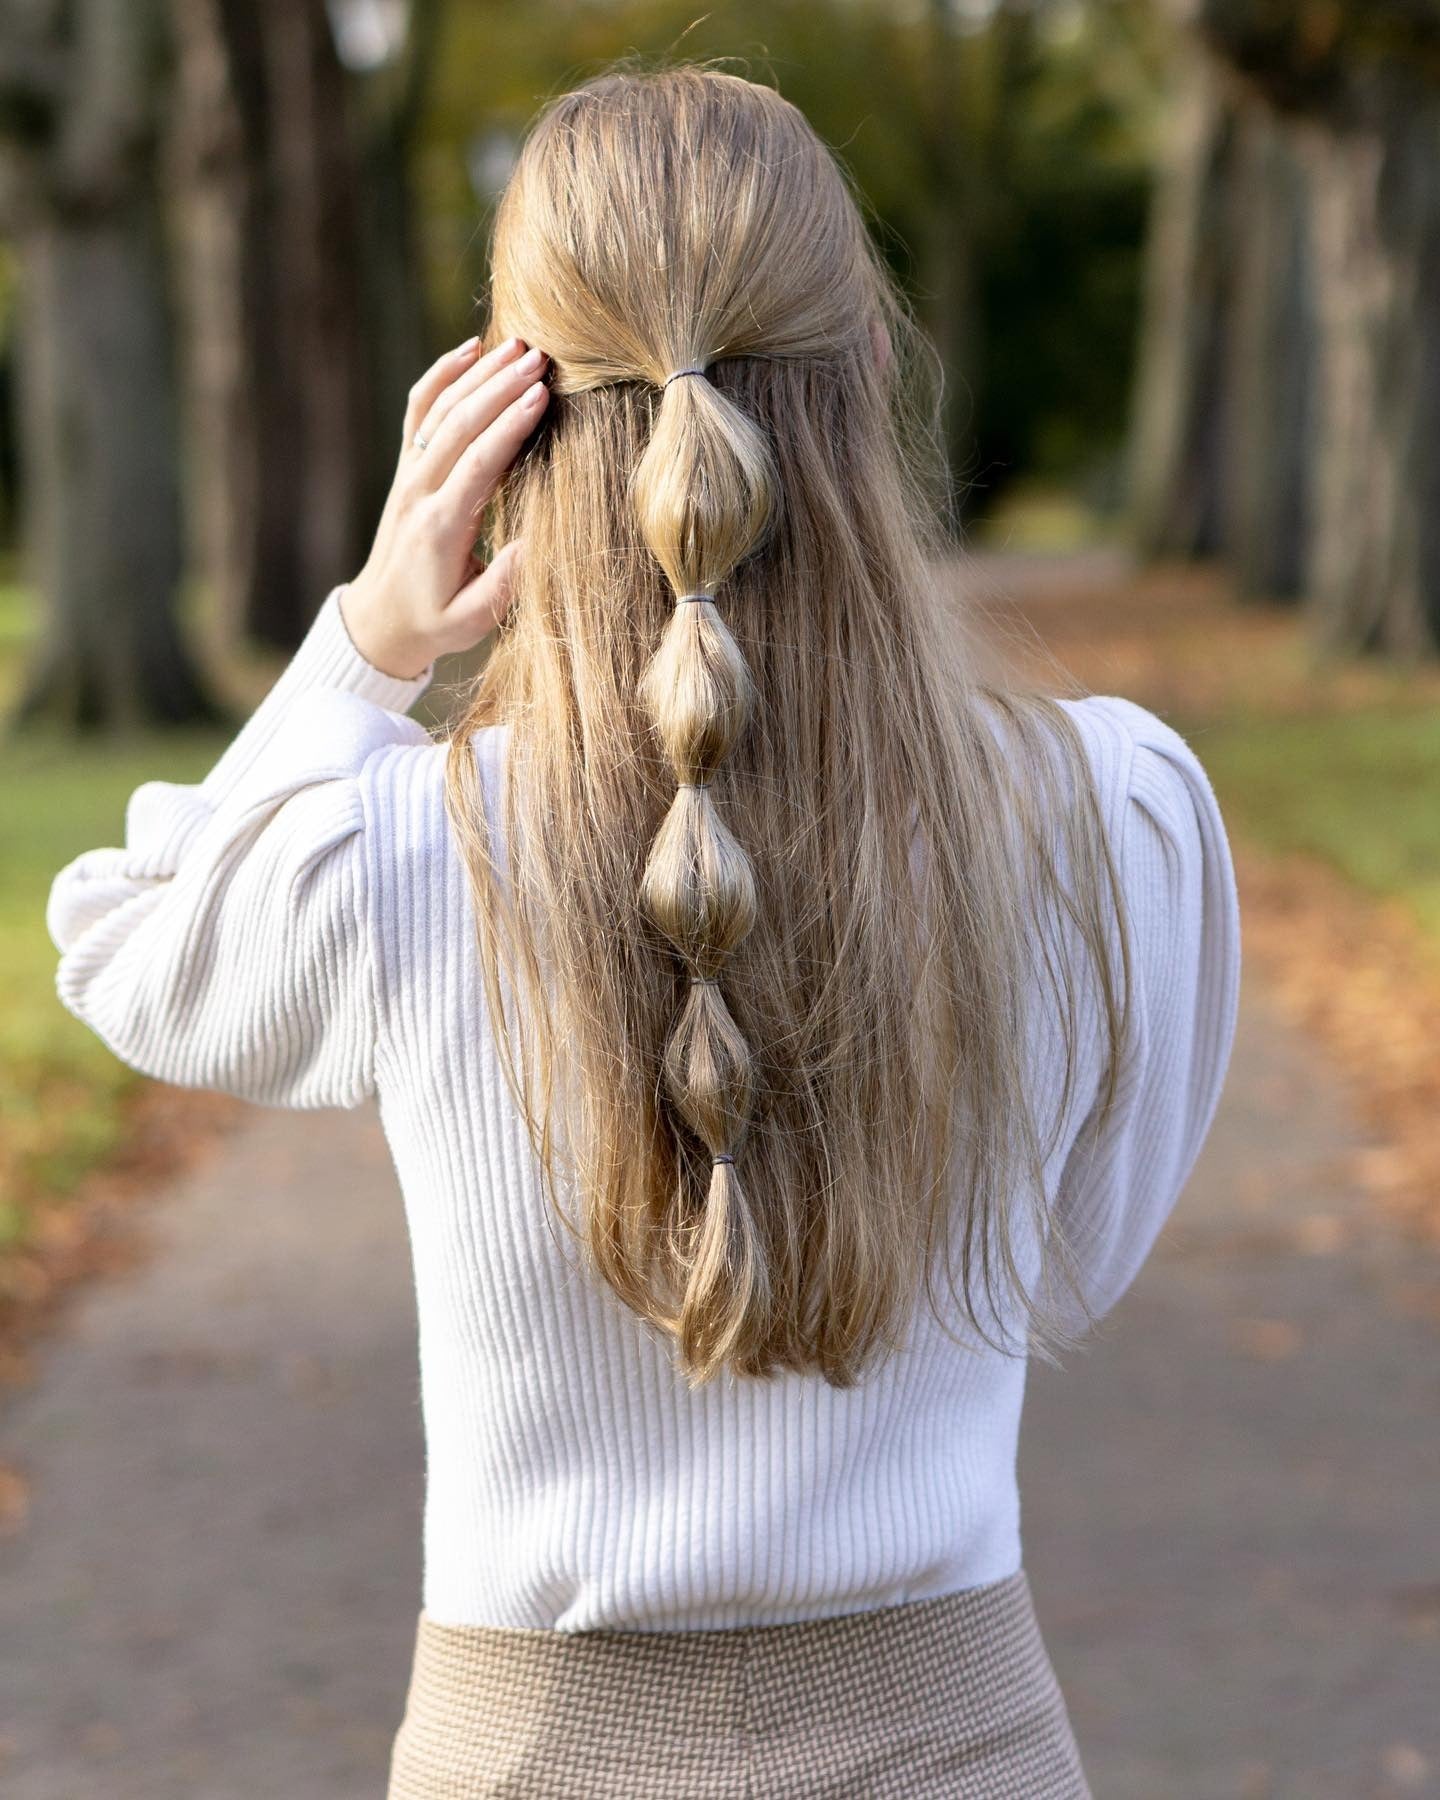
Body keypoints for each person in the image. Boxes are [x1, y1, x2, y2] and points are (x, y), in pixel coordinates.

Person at [46, 63, 1241, 1800]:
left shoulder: (397, 847)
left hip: (520, 1757)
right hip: (964, 1745)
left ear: (504, 425)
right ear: (880, 369)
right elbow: (1072, 1254)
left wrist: (370, 644)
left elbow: (130, 949)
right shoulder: (1099, 816)